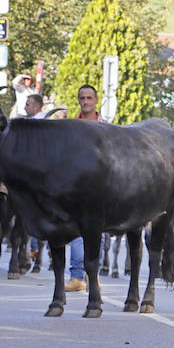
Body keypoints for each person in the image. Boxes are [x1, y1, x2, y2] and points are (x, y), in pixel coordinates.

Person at [63, 83, 110, 293]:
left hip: (101, 188)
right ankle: (76, 277)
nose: (85, 102)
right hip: (76, 187)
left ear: (96, 100)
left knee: (96, 234)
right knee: (76, 232)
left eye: (89, 98)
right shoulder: (71, 127)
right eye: (82, 98)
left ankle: (93, 276)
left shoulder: (107, 127)